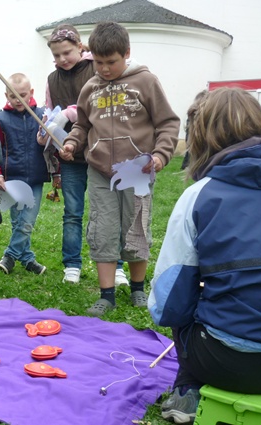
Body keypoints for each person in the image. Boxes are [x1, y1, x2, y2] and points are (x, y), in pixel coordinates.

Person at [148, 87, 261, 424]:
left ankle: (186, 388)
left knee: (183, 310)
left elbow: (167, 306)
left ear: (200, 135)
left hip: (228, 362)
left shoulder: (199, 197)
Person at [62, 21, 180, 316]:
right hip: (101, 171)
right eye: (98, 62)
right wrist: (72, 143)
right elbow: (82, 125)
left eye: (111, 62)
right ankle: (107, 295)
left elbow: (167, 123)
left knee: (136, 228)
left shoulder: (146, 82)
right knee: (103, 230)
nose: (104, 69)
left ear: (127, 53)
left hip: (136, 171)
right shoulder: (90, 87)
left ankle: (139, 289)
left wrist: (161, 156)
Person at [42, 23, 128, 285]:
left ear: (80, 46)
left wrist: (70, 112)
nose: (62, 59)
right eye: (56, 55)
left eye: (66, 52)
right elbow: (50, 113)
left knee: (111, 211)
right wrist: (50, 134)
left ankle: (118, 265)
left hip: (104, 153)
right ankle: (72, 264)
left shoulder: (98, 68)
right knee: (72, 212)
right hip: (70, 156)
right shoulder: (52, 79)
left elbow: (106, 106)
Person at [0, 73, 49, 275]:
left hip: (35, 177)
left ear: (31, 93)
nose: (18, 100)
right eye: (13, 96)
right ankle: (27, 258)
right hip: (12, 178)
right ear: (6, 95)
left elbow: (50, 147)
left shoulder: (42, 115)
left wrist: (57, 174)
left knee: (27, 222)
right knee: (18, 222)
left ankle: (9, 256)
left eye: (23, 95)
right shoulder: (1, 118)